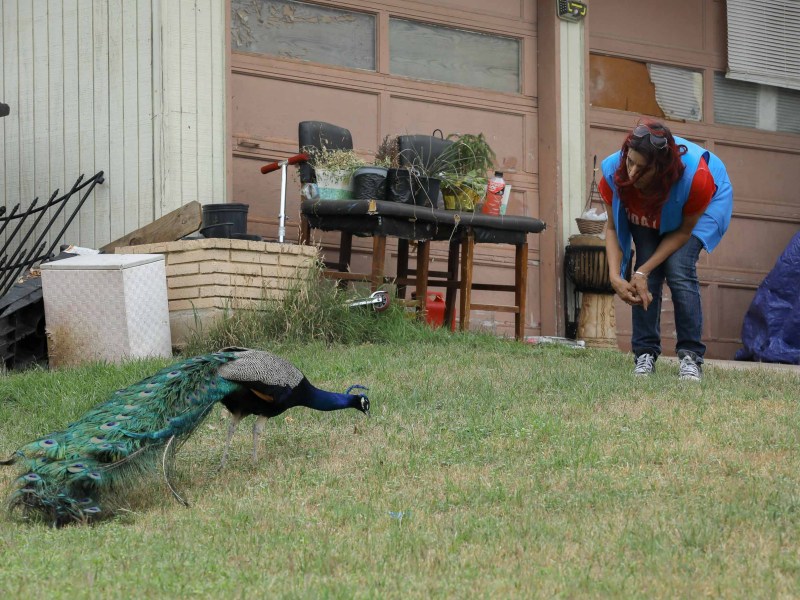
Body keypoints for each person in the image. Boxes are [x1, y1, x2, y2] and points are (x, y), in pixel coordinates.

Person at [600, 119, 733, 380]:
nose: (632, 173)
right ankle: (644, 353)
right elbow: (614, 229)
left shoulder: (698, 179)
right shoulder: (613, 172)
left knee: (678, 267)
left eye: (642, 168)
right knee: (645, 266)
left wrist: (642, 272)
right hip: (653, 203)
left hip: (703, 203)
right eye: (630, 162)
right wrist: (617, 276)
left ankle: (690, 356)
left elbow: (683, 232)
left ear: (659, 169)